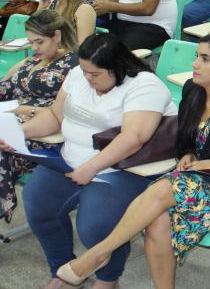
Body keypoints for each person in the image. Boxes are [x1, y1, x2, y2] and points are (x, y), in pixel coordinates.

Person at [56, 32, 210, 288]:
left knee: (165, 186)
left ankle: (99, 253)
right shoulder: (193, 90)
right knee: (157, 220)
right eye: (196, 57)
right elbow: (184, 140)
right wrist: (188, 154)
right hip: (196, 182)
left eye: (204, 59)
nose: (195, 64)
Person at [3, 32, 177, 288]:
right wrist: (17, 133)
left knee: (95, 226)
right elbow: (54, 116)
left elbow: (134, 138)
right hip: (72, 158)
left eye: (94, 74)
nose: (87, 78)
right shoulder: (78, 75)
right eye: (84, 72)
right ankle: (61, 269)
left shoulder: (144, 85)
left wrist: (91, 168)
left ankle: (108, 278)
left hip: (123, 168)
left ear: (117, 67)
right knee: (38, 204)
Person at [0, 10, 79, 224]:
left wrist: (22, 110)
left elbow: (66, 111)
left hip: (39, 134)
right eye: (31, 42)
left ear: (57, 36)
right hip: (12, 118)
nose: (34, 48)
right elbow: (7, 85)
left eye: (39, 42)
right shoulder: (34, 59)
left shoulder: (75, 65)